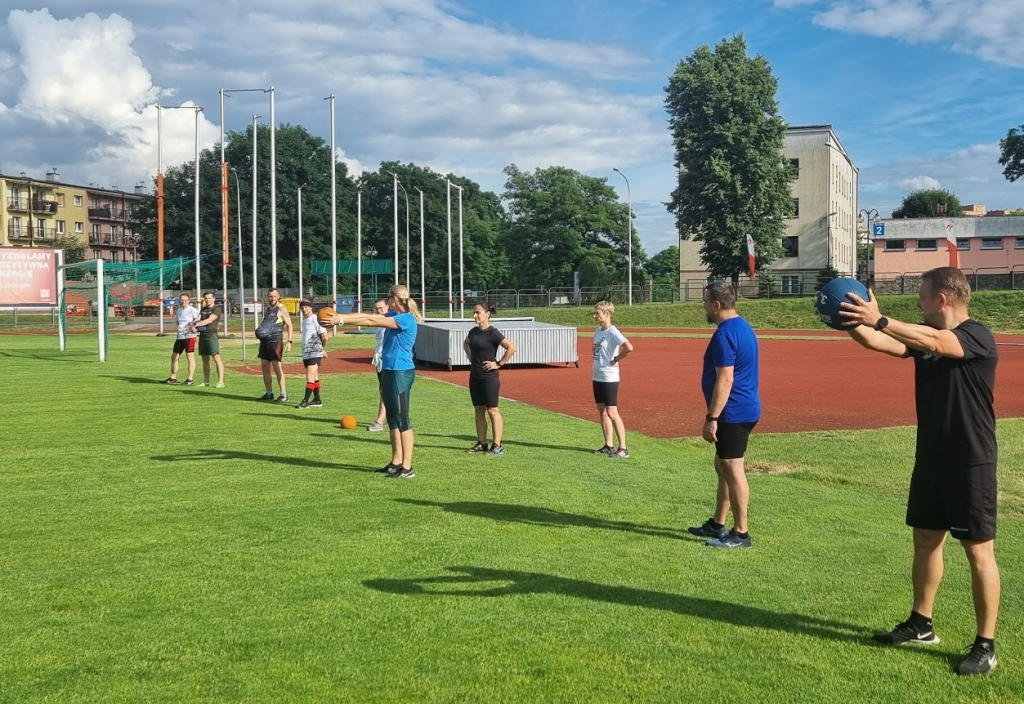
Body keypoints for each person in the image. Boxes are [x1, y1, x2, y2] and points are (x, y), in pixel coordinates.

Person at [840, 267, 1001, 676]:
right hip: (931, 458)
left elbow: (936, 340)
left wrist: (880, 318)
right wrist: (852, 322)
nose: (918, 303)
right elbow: (881, 342)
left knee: (978, 552)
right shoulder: (924, 342)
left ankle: (986, 645)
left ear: (942, 299)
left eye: (923, 297)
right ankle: (921, 623)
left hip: (971, 461)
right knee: (926, 540)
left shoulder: (976, 336)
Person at [688, 281, 761, 549]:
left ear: (716, 305)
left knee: (733, 469)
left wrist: (712, 417)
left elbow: (725, 380)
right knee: (722, 466)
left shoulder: (724, 334)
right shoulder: (743, 326)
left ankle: (741, 533)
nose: (704, 308)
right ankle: (718, 524)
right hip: (744, 408)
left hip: (733, 413)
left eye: (706, 302)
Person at [322, 285, 421, 478]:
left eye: (388, 296)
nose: (386, 300)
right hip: (389, 370)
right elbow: (365, 315)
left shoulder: (406, 318)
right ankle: (396, 462)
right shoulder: (393, 314)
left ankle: (407, 468)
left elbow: (370, 320)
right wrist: (341, 319)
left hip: (401, 372)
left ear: (394, 298)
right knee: (392, 420)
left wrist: (340, 319)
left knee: (403, 420)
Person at [463, 303, 517, 455]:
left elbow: (511, 348)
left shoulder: (493, 333)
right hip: (475, 376)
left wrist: (498, 364)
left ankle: (497, 445)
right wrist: (470, 357)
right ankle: (482, 443)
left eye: (478, 313)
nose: (475, 315)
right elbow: (466, 343)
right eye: (474, 312)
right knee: (478, 410)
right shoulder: (473, 332)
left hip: (489, 378)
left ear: (487, 314)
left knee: (492, 410)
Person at [591, 300, 633, 458]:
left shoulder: (613, 331)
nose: (595, 316)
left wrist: (617, 358)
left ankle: (623, 448)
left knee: (612, 411)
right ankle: (609, 445)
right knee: (602, 411)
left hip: (609, 376)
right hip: (598, 375)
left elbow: (629, 347)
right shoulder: (598, 331)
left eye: (598, 313)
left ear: (607, 314)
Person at [255, 287, 293, 402]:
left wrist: (289, 341)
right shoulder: (268, 309)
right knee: (265, 366)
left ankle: (283, 394)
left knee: (277, 366)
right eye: (270, 296)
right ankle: (269, 393)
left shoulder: (281, 309)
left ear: (278, 296)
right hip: (265, 342)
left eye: (274, 296)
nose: (272, 298)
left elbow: (290, 325)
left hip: (275, 340)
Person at [162, 292, 199, 385]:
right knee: (174, 356)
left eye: (185, 300)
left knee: (189, 356)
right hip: (180, 336)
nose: (183, 302)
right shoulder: (179, 310)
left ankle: (190, 379)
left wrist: (194, 327)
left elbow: (199, 319)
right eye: (181, 300)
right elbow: (178, 321)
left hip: (189, 336)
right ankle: (173, 377)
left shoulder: (192, 310)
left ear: (188, 301)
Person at [297, 300, 328, 409]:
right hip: (307, 352)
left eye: (306, 307)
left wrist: (320, 349)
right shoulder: (305, 321)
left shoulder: (316, 319)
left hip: (314, 353)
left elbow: (324, 336)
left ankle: (305, 401)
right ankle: (317, 400)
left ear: (311, 308)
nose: (304, 309)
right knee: (314, 376)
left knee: (309, 376)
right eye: (302, 308)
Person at [366, 299, 390, 432]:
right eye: (377, 309)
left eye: (381, 308)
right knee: (385, 390)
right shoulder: (381, 323)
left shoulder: (390, 321)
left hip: (387, 360)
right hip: (380, 360)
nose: (379, 311)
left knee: (385, 391)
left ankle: (380, 420)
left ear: (388, 306)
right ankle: (391, 417)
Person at [193, 291, 225, 388]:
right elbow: (197, 319)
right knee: (205, 359)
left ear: (213, 299)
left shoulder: (217, 308)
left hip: (211, 335)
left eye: (209, 298)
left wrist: (196, 324)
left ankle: (221, 382)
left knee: (216, 358)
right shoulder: (203, 309)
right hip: (202, 335)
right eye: (206, 298)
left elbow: (209, 320)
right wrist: (192, 325)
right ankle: (206, 382)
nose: (207, 300)